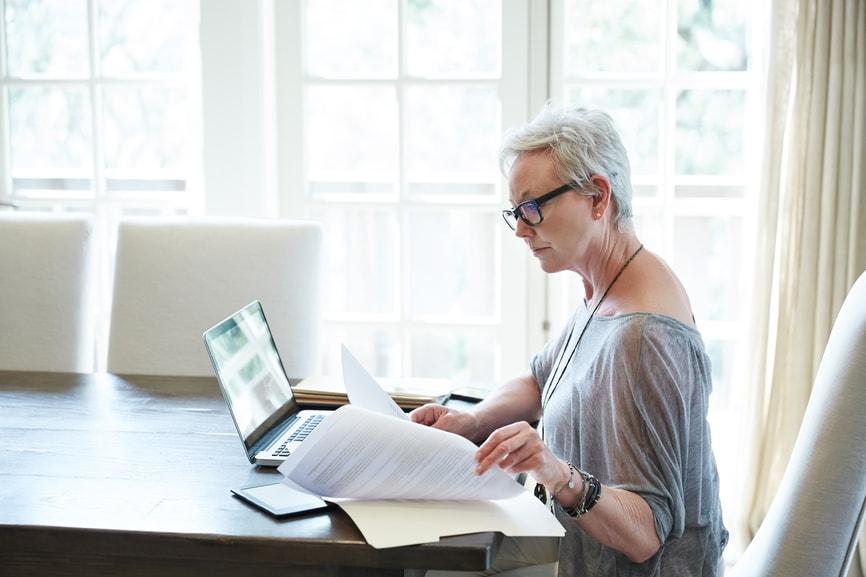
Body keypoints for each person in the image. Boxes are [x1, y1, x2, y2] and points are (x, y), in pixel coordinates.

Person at [410, 105, 728, 577]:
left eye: (533, 207)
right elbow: (542, 379)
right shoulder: (607, 288)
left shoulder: (643, 336)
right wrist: (471, 422)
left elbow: (645, 534)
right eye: (515, 212)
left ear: (598, 197)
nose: (521, 229)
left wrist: (556, 473)